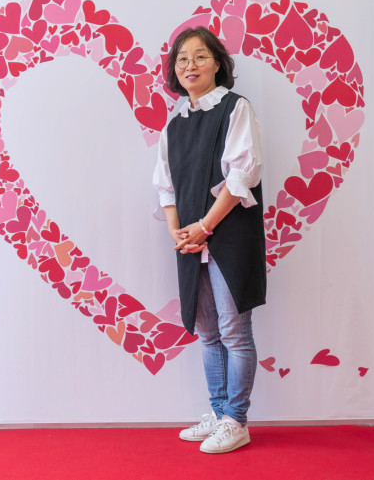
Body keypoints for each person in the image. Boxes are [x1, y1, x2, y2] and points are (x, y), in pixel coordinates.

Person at [152, 26, 266, 454]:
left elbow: (242, 176)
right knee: (207, 332)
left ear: (218, 63)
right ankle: (218, 413)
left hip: (228, 236)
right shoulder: (174, 125)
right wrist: (178, 231)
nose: (190, 66)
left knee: (234, 331)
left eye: (200, 56)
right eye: (182, 59)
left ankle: (236, 420)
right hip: (190, 241)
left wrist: (204, 226)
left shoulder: (236, 109)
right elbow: (165, 186)